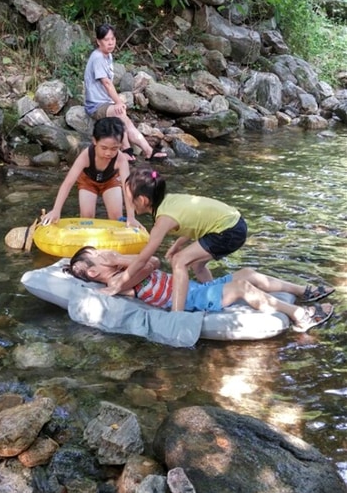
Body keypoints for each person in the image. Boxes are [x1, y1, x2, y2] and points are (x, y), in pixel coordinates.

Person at [65, 246, 334, 333]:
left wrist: (118, 260)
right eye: (97, 254)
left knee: (246, 273)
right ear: (92, 272)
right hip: (192, 299)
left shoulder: (123, 269)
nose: (104, 253)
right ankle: (300, 316)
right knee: (241, 286)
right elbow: (151, 263)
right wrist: (118, 260)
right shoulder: (115, 283)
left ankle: (303, 290)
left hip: (194, 288)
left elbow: (152, 261)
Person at [103, 165, 248, 310]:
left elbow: (142, 259)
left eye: (128, 198)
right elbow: (195, 222)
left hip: (229, 230)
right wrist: (177, 244)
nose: (126, 202)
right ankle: (215, 296)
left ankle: (177, 313)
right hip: (233, 222)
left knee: (180, 261)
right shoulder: (169, 201)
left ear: (142, 200)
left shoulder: (163, 220)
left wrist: (119, 285)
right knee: (196, 264)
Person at [84, 23, 167, 162]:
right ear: (98, 41)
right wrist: (118, 102)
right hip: (95, 105)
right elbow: (107, 84)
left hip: (105, 102)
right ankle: (133, 151)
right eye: (106, 40)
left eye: (112, 39)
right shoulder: (97, 57)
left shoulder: (107, 56)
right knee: (120, 113)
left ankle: (144, 151)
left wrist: (117, 102)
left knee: (124, 119)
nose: (110, 43)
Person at [41, 117, 139, 225]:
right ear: (95, 141)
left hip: (110, 181)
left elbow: (127, 189)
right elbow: (68, 183)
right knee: (87, 217)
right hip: (88, 182)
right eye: (104, 148)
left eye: (114, 149)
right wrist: (56, 210)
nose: (108, 153)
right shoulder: (86, 156)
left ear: (120, 145)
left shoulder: (120, 160)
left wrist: (131, 216)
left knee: (116, 217)